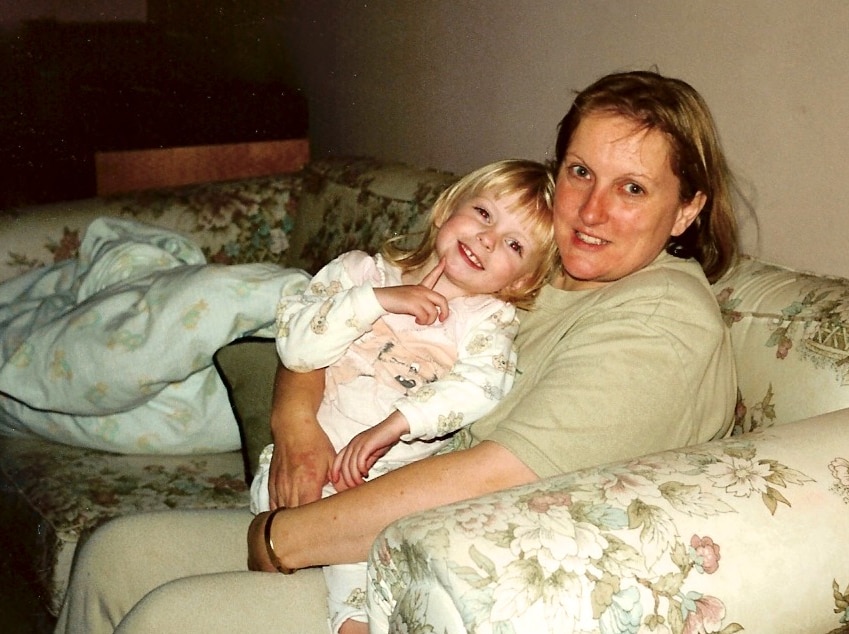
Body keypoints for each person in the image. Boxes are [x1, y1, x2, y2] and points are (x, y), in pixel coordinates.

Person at [55, 69, 740, 634]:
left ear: (685, 210)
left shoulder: (662, 319)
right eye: (579, 171)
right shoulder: (528, 262)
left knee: (169, 621)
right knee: (114, 555)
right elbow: (342, 326)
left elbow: (496, 478)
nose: (590, 211)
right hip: (365, 507)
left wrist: (280, 540)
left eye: (632, 189)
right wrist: (295, 422)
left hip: (454, 573)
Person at [250, 159, 558, 634]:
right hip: (289, 474)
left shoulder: (487, 322)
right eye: (483, 213)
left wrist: (395, 423)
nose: (487, 240)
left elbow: (480, 386)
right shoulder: (358, 272)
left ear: (520, 281)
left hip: (378, 488)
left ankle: (350, 621)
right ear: (445, 210)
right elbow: (295, 344)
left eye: (514, 245)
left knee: (361, 573)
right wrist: (378, 300)